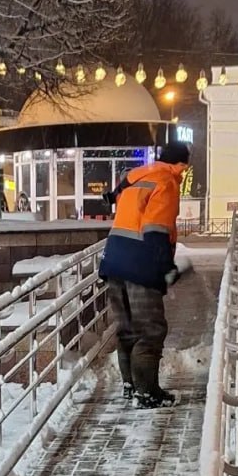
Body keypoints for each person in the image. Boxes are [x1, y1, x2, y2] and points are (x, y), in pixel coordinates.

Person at [98, 142, 189, 407]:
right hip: (139, 263)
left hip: (113, 261)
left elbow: (116, 198)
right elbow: (155, 229)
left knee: (128, 330)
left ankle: (131, 385)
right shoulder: (166, 182)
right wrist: (167, 268)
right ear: (181, 164)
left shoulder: (136, 178)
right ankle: (147, 392)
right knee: (150, 331)